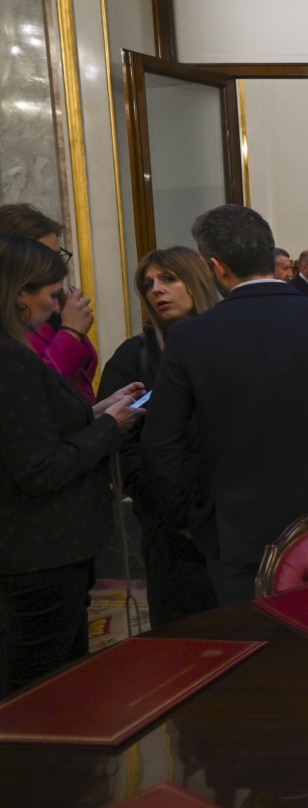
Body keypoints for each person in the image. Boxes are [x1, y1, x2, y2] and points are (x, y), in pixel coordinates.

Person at [141, 204, 308, 605]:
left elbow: (160, 443)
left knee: (258, 651)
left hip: (235, 527)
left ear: (215, 267)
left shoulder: (191, 338)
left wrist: (188, 517)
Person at [0, 234, 144, 696]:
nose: (57, 303)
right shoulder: (11, 359)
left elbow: (37, 427)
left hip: (40, 552)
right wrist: (109, 428)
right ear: (20, 292)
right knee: (44, 691)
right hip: (38, 551)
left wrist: (98, 412)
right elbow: (39, 468)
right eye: (51, 292)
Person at [97, 247, 221, 627]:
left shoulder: (227, 343)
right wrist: (166, 504)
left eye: (169, 279)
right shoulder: (134, 356)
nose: (156, 290)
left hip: (229, 514)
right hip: (165, 521)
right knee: (180, 638)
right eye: (148, 284)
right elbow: (120, 441)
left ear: (196, 281)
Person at [0, 203, 98, 403]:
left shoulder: (56, 306)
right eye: (47, 256)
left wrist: (98, 415)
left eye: (58, 255)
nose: (57, 266)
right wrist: (71, 332)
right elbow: (32, 392)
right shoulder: (10, 323)